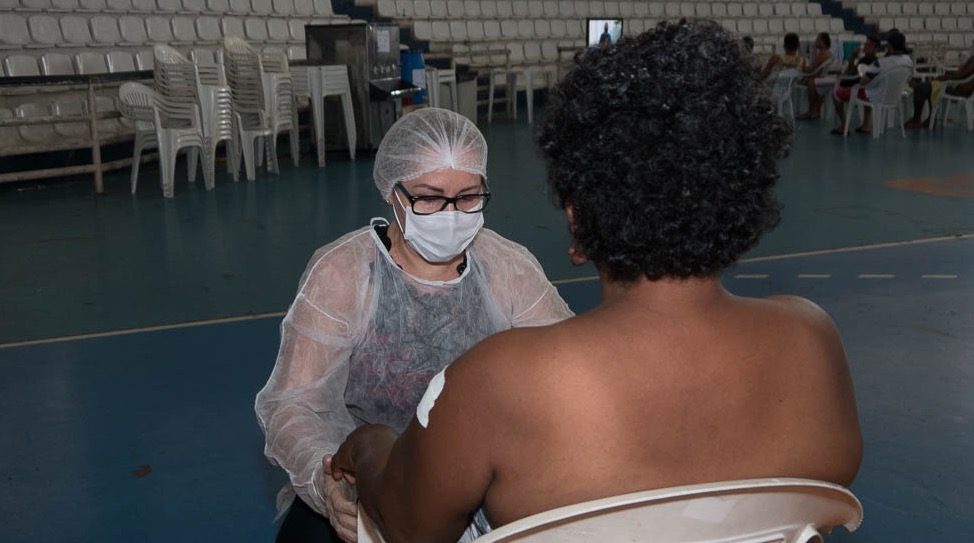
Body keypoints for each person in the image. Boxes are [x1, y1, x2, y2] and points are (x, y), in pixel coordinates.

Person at [330, 21, 864, 543]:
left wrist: (371, 444)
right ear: (739, 202)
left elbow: (408, 526)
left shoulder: (495, 382)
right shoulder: (810, 341)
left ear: (577, 220)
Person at [255, 107, 574, 543]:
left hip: (476, 476)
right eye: (428, 197)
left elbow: (566, 372)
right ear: (392, 191)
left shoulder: (509, 268)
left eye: (468, 197)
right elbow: (293, 405)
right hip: (360, 473)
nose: (451, 213)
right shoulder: (343, 273)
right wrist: (326, 479)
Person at [831, 30, 913, 135]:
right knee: (869, 89)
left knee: (836, 93)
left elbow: (863, 81)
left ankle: (843, 126)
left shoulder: (881, 63)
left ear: (889, 45)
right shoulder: (908, 61)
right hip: (894, 96)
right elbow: (909, 77)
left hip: (875, 96)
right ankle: (865, 125)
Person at [905, 42, 974, 129]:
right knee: (929, 86)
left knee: (921, 88)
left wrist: (943, 77)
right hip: (959, 86)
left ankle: (916, 120)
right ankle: (930, 119)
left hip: (958, 88)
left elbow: (960, 76)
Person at [796, 32, 835, 120]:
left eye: (817, 40)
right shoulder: (827, 53)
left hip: (816, 77)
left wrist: (801, 65)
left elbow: (810, 70)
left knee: (808, 82)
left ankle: (812, 110)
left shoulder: (822, 54)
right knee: (811, 82)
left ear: (823, 41)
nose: (815, 42)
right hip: (819, 76)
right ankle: (815, 110)